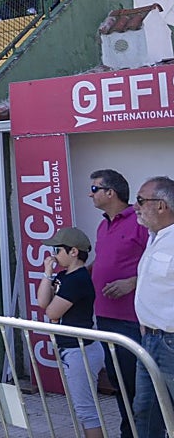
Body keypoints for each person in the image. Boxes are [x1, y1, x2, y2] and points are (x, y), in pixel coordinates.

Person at [89, 169, 150, 438]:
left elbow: (159, 264)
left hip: (132, 320)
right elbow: (104, 262)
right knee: (119, 383)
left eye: (94, 189)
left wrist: (131, 282)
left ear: (110, 192)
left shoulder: (140, 222)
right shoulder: (103, 225)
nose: (90, 194)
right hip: (104, 317)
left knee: (138, 387)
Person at [37, 227, 105, 438]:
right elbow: (42, 302)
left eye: (58, 250)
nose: (54, 255)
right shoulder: (64, 276)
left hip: (80, 350)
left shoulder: (78, 280)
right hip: (72, 349)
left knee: (86, 411)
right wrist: (47, 274)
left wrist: (53, 313)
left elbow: (52, 311)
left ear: (73, 252)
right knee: (83, 409)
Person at [132, 175, 174, 438]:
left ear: (161, 205)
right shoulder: (154, 237)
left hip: (170, 342)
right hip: (150, 340)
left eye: (140, 200)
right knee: (146, 412)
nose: (135, 207)